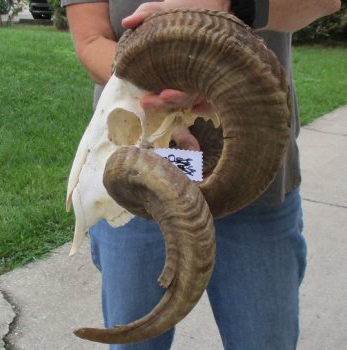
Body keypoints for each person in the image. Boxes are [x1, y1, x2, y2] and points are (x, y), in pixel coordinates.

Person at [61, 1, 341, 349]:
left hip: (258, 184)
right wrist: (167, 87)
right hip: (136, 181)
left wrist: (227, 4)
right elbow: (91, 40)